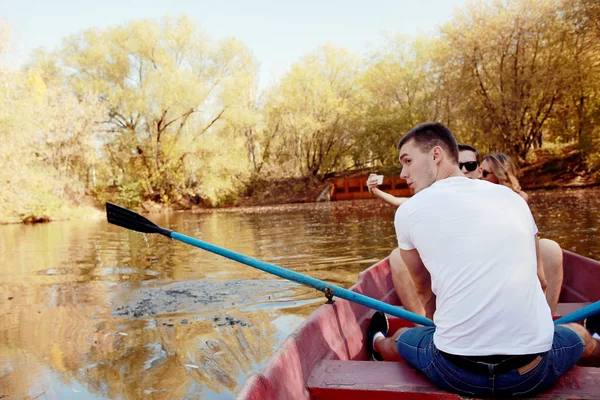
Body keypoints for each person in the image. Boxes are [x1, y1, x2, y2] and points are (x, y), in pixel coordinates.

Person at [367, 122, 600, 398]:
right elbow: (540, 280)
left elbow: (423, 288)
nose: (403, 173)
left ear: (436, 154)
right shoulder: (513, 200)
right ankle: (596, 340)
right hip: (530, 372)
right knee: (578, 335)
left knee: (403, 339)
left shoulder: (409, 211)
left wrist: (438, 323)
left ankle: (377, 343)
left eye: (407, 161)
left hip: (457, 372)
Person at [368, 146, 563, 315]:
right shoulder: (435, 199)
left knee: (551, 249)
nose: (463, 171)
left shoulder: (511, 198)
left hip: (496, 280)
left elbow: (538, 274)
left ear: (479, 170)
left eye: (470, 166)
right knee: (398, 256)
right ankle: (425, 327)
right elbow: (407, 204)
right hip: (459, 283)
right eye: (458, 166)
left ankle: (544, 321)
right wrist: (377, 192)